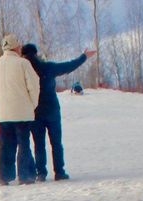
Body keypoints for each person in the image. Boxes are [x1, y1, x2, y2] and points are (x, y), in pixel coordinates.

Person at [21, 43, 96, 181]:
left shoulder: (24, 71)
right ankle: (59, 172)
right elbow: (68, 66)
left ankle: (41, 173)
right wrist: (83, 57)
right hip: (52, 110)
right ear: (36, 54)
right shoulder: (48, 67)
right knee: (56, 143)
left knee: (39, 144)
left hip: (35, 112)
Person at [0, 34, 40, 185]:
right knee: (23, 143)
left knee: (5, 145)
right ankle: (25, 176)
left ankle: (5, 176)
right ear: (16, 47)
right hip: (22, 111)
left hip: (3, 113)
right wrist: (32, 104)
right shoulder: (23, 64)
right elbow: (34, 86)